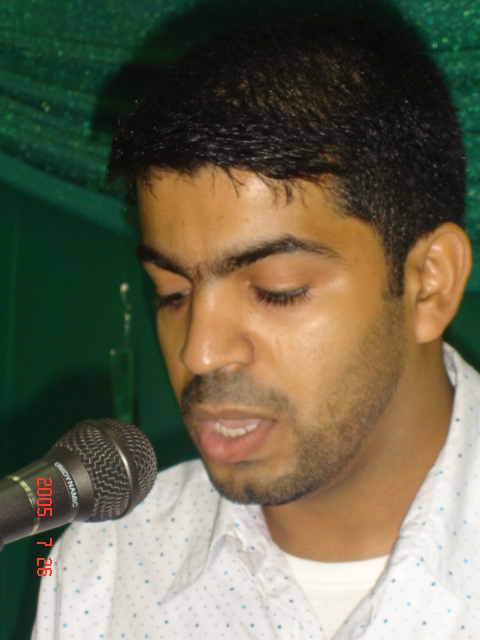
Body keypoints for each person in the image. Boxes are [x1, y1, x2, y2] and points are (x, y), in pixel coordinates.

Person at [32, 11, 479, 640]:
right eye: (173, 293)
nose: (200, 352)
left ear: (429, 283)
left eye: (277, 290)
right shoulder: (106, 566)